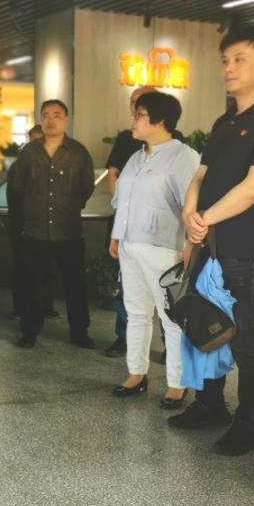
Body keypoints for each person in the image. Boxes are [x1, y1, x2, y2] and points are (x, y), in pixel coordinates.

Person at [172, 24, 254, 455]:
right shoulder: (225, 121)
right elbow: (201, 175)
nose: (228, 68)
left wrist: (204, 219)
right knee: (203, 323)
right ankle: (210, 405)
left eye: (240, 59)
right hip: (209, 246)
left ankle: (248, 423)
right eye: (225, 60)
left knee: (246, 337)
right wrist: (190, 216)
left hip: (246, 249)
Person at [109, 91, 200, 408]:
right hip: (130, 246)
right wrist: (116, 236)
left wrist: (191, 245)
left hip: (163, 249)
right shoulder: (136, 156)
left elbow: (193, 206)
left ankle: (177, 383)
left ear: (160, 120)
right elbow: (122, 200)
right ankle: (136, 373)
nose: (133, 120)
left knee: (170, 318)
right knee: (136, 313)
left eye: (140, 114)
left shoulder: (182, 156)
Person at [12, 99, 96, 349]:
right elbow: (19, 186)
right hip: (35, 230)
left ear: (66, 120)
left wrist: (68, 206)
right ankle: (29, 331)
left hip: (68, 230)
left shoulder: (78, 152)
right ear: (40, 120)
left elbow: (86, 187)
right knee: (33, 285)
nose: (51, 120)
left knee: (75, 286)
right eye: (46, 115)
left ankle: (79, 332)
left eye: (57, 115)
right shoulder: (28, 152)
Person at [104, 87, 155, 356]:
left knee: (165, 289)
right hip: (127, 225)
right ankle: (124, 337)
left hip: (159, 230)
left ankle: (170, 343)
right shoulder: (127, 139)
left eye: (143, 104)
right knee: (127, 284)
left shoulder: (177, 143)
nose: (136, 108)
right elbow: (113, 173)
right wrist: (120, 207)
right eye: (134, 103)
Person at [7, 125, 59, 319]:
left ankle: (46, 306)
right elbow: (15, 198)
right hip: (23, 226)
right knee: (22, 268)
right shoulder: (18, 166)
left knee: (46, 267)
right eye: (33, 141)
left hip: (46, 227)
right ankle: (20, 308)